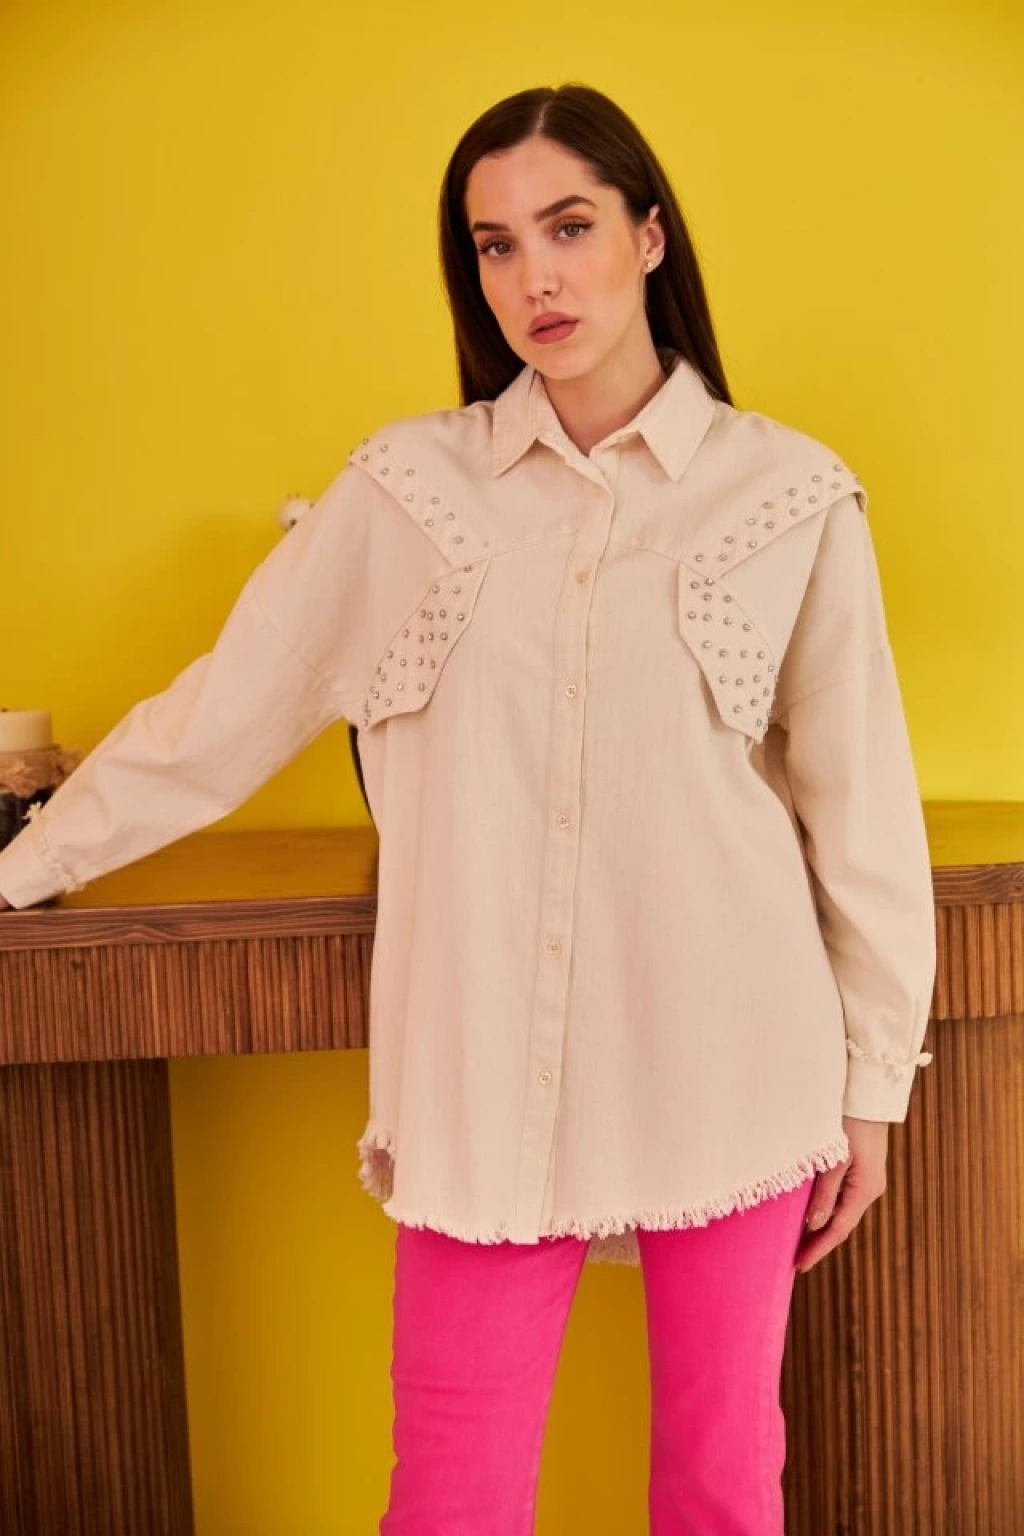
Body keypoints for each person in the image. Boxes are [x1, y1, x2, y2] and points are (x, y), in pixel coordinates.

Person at [0, 83, 936, 1535]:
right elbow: (225, 710)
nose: (534, 278)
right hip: (486, 1071)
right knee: (449, 1496)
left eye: (569, 228)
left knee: (721, 1484)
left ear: (649, 236)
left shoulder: (789, 496)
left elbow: (860, 810)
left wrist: (874, 1087)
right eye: (496, 245)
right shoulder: (409, 492)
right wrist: (26, 862)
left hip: (735, 1056)